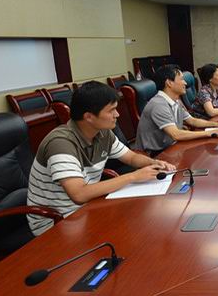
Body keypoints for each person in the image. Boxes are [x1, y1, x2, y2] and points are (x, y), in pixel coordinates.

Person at [27, 81, 176, 236]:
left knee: (144, 220)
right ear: (89, 117)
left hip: (87, 206)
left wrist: (154, 163)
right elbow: (79, 194)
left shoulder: (103, 133)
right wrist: (133, 176)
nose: (117, 114)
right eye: (111, 110)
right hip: (55, 221)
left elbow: (131, 157)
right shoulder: (60, 143)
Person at [136, 65, 218, 154]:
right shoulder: (159, 105)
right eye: (181, 79)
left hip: (171, 147)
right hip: (154, 155)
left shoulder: (175, 101)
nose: (185, 83)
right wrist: (209, 133)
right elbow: (176, 134)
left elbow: (192, 121)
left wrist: (217, 125)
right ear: (169, 83)